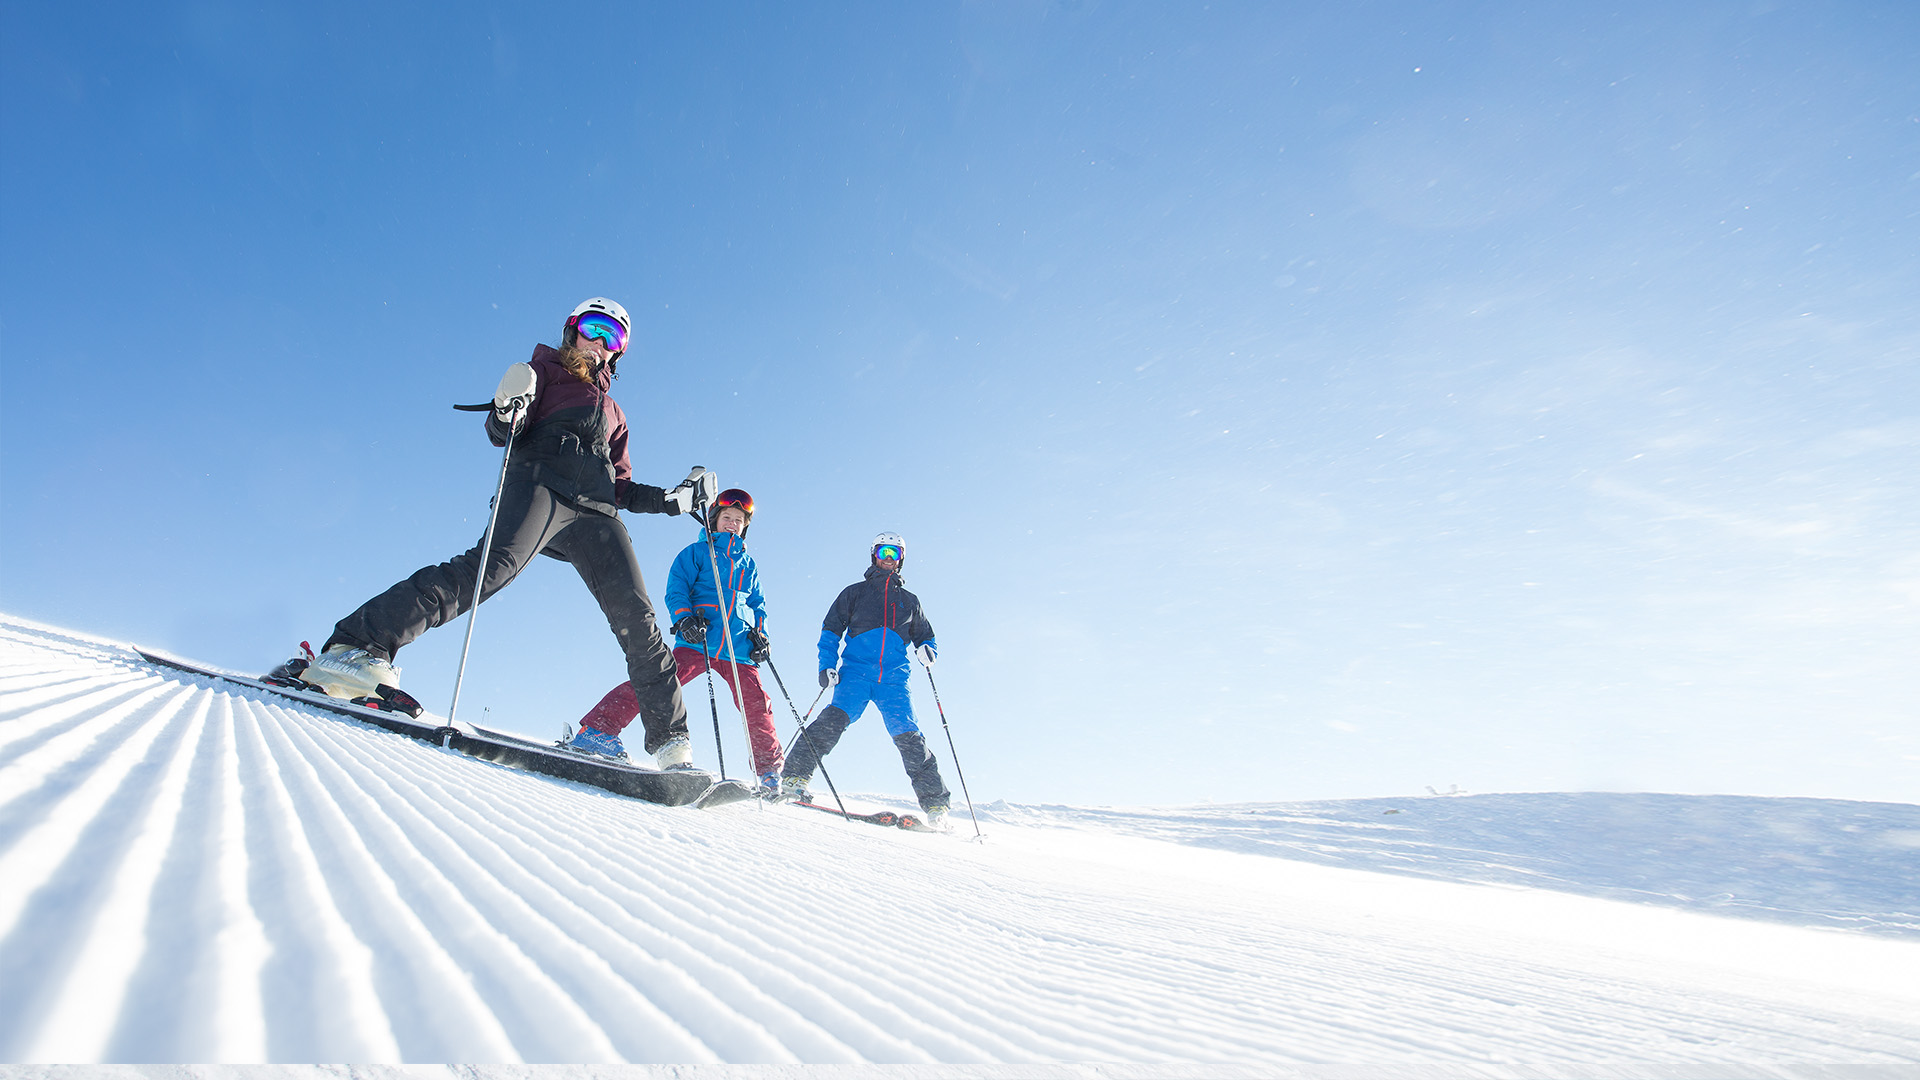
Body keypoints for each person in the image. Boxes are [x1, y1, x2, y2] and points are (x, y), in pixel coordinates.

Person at [286, 297, 705, 770]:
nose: (601, 344)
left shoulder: (614, 412)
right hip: (539, 485)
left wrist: (674, 500)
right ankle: (355, 646)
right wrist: (508, 410)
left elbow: (621, 485)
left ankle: (672, 744)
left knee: (639, 619)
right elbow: (502, 426)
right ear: (573, 331)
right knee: (486, 570)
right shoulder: (541, 372)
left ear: (619, 354)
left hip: (597, 512)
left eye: (615, 339)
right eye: (594, 328)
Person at [572, 488, 786, 792]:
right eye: (727, 517)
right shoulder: (696, 553)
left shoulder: (748, 564)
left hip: (739, 648)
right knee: (658, 682)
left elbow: (757, 603)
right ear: (714, 519)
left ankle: (769, 772)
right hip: (699, 640)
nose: (733, 523)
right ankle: (597, 730)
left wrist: (760, 634)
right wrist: (684, 618)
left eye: (739, 520)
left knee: (758, 705)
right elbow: (677, 589)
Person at [779, 531, 950, 825]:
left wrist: (927, 650)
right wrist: (826, 666)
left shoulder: (910, 601)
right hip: (855, 674)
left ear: (900, 561)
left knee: (910, 738)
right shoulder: (854, 593)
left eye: (893, 554)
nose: (887, 558)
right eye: (883, 552)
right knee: (830, 723)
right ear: (874, 555)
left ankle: (936, 807)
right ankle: (794, 777)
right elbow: (831, 632)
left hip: (893, 681)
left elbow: (927, 637)